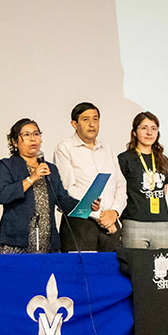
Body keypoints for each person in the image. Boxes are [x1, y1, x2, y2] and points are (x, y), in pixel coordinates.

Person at [0, 118, 99, 253]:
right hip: (16, 244)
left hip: (48, 244)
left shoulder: (51, 169)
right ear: (14, 142)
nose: (33, 139)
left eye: (36, 134)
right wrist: (32, 178)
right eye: (26, 135)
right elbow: (3, 195)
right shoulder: (7, 165)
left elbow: (63, 201)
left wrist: (87, 206)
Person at [54, 102, 127, 252]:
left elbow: (120, 184)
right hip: (81, 224)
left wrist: (114, 212)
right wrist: (100, 216)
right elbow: (69, 189)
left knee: (110, 273)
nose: (92, 124)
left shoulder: (107, 149)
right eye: (86, 120)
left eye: (95, 119)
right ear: (74, 124)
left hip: (110, 225)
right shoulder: (65, 148)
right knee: (81, 273)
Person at [117, 111, 168, 249]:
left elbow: (163, 189)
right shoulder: (124, 159)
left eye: (153, 128)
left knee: (159, 268)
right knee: (137, 267)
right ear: (135, 132)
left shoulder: (163, 159)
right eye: (144, 128)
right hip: (134, 222)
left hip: (160, 223)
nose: (149, 133)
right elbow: (119, 189)